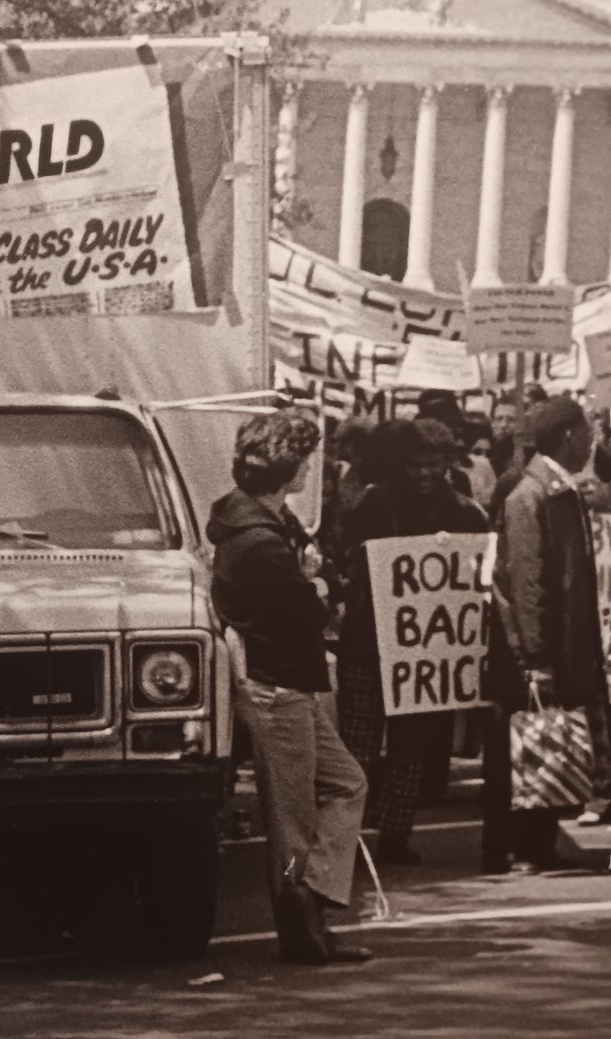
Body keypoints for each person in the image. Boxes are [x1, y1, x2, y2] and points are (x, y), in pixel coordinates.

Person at [207, 409, 371, 965]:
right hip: (276, 684)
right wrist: (322, 584)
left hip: (284, 681)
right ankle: (302, 922)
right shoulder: (261, 541)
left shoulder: (257, 522)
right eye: (304, 456)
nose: (310, 466)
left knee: (346, 783)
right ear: (288, 465)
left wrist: (317, 582)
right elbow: (304, 609)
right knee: (292, 822)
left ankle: (315, 894)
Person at [337, 419, 489, 865]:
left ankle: (395, 836)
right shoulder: (374, 504)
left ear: (446, 463)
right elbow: (346, 554)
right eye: (415, 464)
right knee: (359, 749)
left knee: (410, 748)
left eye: (433, 464)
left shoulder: (464, 512)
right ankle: (344, 840)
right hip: (368, 645)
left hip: (423, 654)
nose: (424, 473)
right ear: (401, 463)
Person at [488, 396, 611, 867]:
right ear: (567, 437)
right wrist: (536, 659)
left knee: (553, 743)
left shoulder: (558, 491)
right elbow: (528, 584)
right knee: (531, 744)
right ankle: (523, 848)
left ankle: (540, 843)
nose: (591, 442)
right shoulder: (530, 495)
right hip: (542, 652)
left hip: (567, 646)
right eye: (585, 433)